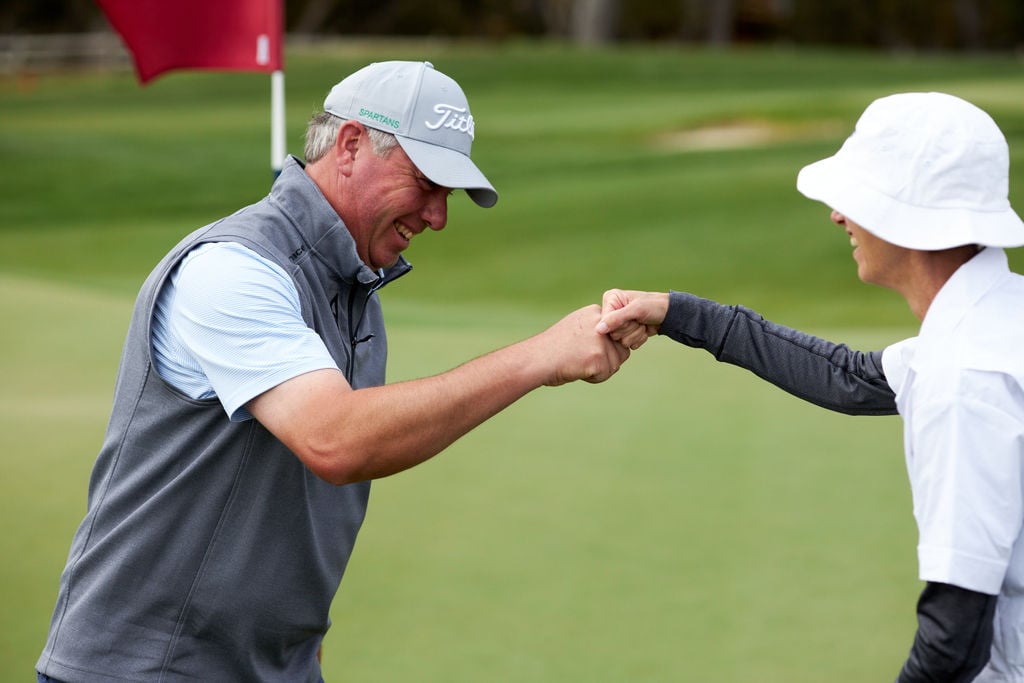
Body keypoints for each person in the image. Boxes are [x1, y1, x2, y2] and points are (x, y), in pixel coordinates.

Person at [36, 60, 629, 682]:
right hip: (144, 670)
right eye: (426, 183)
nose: (437, 217)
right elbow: (337, 440)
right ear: (349, 145)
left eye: (447, 195)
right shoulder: (233, 269)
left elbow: (299, 512)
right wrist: (540, 356)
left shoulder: (357, 293)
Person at [597, 92, 1024, 682]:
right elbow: (851, 378)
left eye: (857, 199)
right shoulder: (999, 317)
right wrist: (679, 313)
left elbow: (956, 637)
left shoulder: (967, 377)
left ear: (906, 216)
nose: (837, 215)